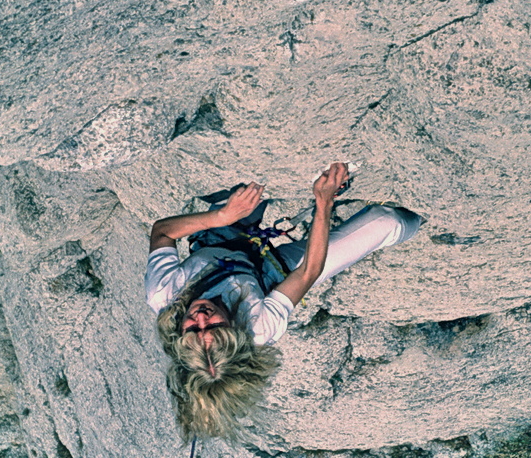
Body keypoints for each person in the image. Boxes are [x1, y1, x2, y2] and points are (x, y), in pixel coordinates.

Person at [146, 163, 425, 440]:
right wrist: (323, 201)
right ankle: (426, 217)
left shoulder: (164, 293)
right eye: (215, 327)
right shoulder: (258, 329)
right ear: (235, 333)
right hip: (274, 270)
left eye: (192, 329)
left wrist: (223, 215)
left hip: (221, 235)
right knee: (390, 222)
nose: (202, 317)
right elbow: (308, 272)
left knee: (249, 180)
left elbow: (162, 232)